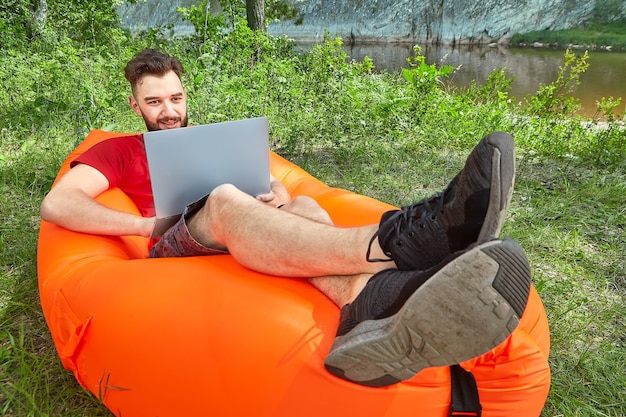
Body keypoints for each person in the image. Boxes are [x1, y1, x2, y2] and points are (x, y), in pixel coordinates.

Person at [40, 48, 530, 387]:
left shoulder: (212, 140)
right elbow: (59, 203)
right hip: (175, 243)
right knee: (228, 199)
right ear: (135, 105)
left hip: (237, 220)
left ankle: (372, 301)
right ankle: (398, 243)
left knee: (305, 206)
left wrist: (273, 193)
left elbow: (269, 181)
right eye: (154, 102)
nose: (168, 111)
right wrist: (147, 225)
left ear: (185, 95)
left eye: (175, 98)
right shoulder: (118, 150)